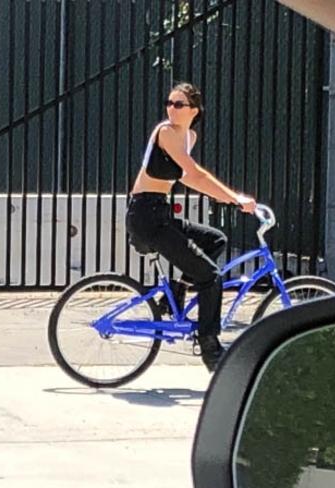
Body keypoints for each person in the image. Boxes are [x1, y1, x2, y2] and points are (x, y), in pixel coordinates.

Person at [125, 82, 256, 372]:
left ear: (194, 110)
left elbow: (187, 179)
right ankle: (209, 344)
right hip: (146, 215)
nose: (171, 109)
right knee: (210, 275)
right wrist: (235, 199)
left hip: (160, 213)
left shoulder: (188, 136)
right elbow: (194, 174)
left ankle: (177, 293)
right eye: (169, 103)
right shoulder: (167, 132)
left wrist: (228, 198)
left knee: (216, 239)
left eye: (178, 104)